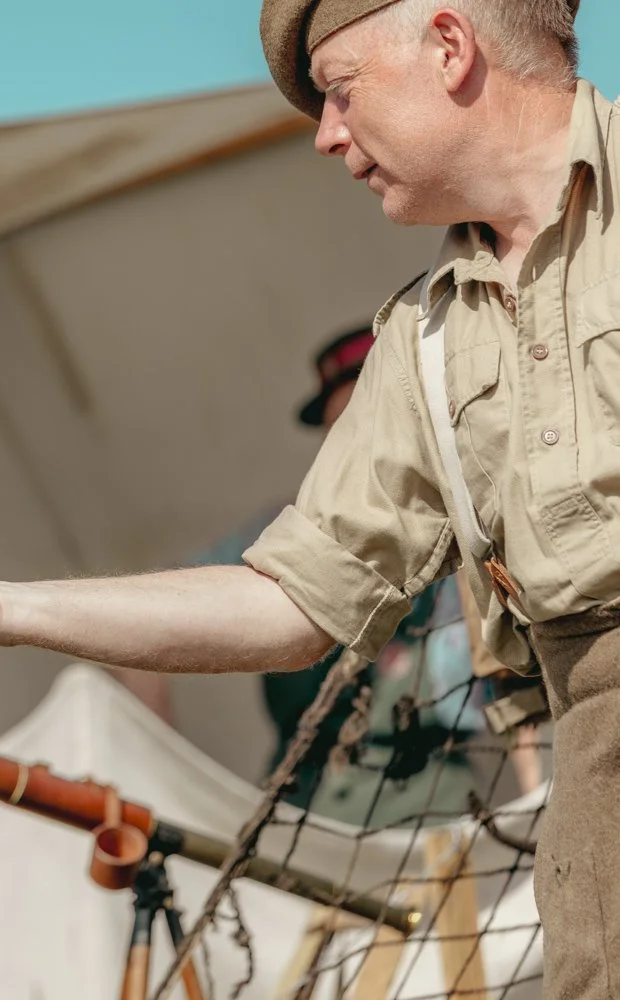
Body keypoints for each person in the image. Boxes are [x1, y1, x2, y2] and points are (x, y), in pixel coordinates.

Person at [0, 1, 603, 993]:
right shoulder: (427, 343)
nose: (326, 136)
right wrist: (1, 609)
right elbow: (292, 599)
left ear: (449, 46)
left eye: (342, 92)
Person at [192, 325, 486, 828]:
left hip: (420, 814)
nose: (345, 448)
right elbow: (178, 597)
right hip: (302, 813)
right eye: (335, 435)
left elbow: (487, 686)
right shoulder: (280, 529)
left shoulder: (467, 526)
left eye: (359, 427)